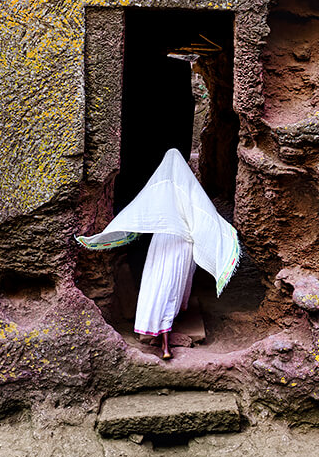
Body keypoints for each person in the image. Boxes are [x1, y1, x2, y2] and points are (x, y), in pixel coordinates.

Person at [77, 149, 239, 359]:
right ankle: (165, 341)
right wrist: (225, 234)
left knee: (160, 285)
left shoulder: (159, 186)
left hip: (162, 243)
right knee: (174, 286)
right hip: (183, 245)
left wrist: (102, 235)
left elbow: (137, 211)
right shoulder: (188, 187)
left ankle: (163, 338)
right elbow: (205, 215)